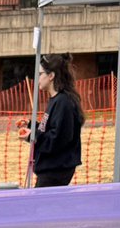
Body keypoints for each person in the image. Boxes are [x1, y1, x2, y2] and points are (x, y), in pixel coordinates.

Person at [18, 53, 84, 188]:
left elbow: (58, 138)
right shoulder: (56, 100)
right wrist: (31, 126)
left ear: (51, 76)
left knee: (41, 208)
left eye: (40, 74)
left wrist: (32, 136)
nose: (37, 79)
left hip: (56, 169)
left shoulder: (63, 102)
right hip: (51, 167)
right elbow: (49, 129)